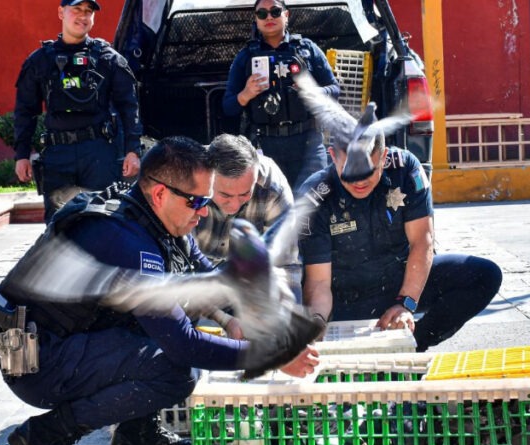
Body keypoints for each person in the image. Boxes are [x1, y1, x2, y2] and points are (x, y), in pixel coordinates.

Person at [0, 136, 320, 445]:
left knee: (171, 324)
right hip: (36, 361)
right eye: (197, 201)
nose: (204, 212)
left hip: (64, 341)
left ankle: (137, 436)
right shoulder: (125, 240)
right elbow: (184, 345)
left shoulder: (157, 218)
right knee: (175, 369)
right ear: (161, 194)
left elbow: (205, 277)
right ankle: (45, 436)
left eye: (207, 201)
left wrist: (244, 320)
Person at [298, 130, 503, 352]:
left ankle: (415, 344)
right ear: (333, 156)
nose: (359, 181)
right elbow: (318, 282)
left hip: (403, 281)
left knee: (484, 275)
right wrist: (315, 325)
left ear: (384, 157)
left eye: (369, 171)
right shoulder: (314, 196)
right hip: (345, 298)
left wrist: (406, 303)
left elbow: (422, 241)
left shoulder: (405, 169)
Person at [13, 0, 143, 222]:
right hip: (57, 154)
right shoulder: (40, 61)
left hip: (99, 153)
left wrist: (133, 150)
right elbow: (25, 110)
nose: (83, 16)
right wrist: (22, 154)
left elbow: (129, 106)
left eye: (88, 11)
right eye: (76, 9)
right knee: (59, 224)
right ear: (61, 12)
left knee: (103, 221)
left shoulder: (107, 59)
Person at [222, 0, 340, 191]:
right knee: (274, 212)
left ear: (287, 15)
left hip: (308, 142)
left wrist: (315, 92)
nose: (269, 17)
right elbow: (228, 106)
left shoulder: (307, 49)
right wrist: (246, 94)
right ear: (256, 19)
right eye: (262, 14)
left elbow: (335, 89)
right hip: (265, 145)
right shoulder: (245, 57)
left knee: (312, 205)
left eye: (275, 11)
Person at [196, 133, 301, 301]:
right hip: (191, 279)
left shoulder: (273, 187)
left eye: (245, 194)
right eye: (225, 195)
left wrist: (290, 316)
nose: (235, 205)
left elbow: (285, 264)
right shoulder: (187, 178)